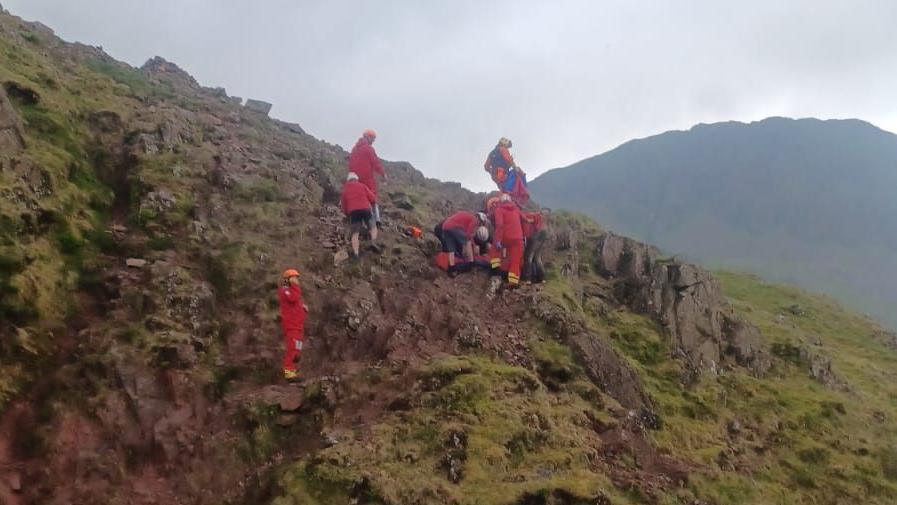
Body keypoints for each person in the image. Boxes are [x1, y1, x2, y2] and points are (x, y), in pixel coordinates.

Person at [348, 129, 387, 228]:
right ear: (368, 137)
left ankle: (360, 222)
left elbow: (350, 165)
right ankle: (376, 220)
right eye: (373, 138)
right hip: (367, 179)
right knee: (372, 199)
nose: (373, 141)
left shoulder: (354, 149)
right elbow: (376, 163)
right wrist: (383, 174)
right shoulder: (369, 149)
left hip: (355, 180)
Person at [434, 211, 489, 276]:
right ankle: (469, 262)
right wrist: (471, 260)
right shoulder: (473, 220)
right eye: (480, 223)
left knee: (451, 250)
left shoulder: (468, 219)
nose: (478, 225)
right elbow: (468, 239)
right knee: (465, 243)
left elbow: (469, 236)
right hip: (451, 227)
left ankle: (452, 269)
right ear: (478, 219)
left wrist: (474, 246)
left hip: (445, 226)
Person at [278, 268, 308, 382]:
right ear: (288, 279)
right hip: (291, 326)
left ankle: (293, 371)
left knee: (297, 350)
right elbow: (293, 298)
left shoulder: (292, 291)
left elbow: (295, 303)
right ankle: (289, 374)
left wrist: (303, 307)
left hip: (298, 326)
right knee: (292, 348)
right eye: (294, 277)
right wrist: (295, 286)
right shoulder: (285, 291)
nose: (296, 280)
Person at [340, 172, 379, 257]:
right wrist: (373, 202)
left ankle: (356, 253)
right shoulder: (362, 186)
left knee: (355, 234)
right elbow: (372, 198)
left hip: (353, 212)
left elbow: (343, 205)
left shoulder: (345, 190)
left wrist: (347, 213)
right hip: (365, 209)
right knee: (373, 227)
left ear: (348, 180)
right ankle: (373, 242)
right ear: (356, 179)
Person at [484, 138, 530, 204]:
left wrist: (492, 171)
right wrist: (515, 167)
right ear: (504, 144)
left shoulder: (491, 153)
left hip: (495, 175)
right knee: (519, 173)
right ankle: (521, 195)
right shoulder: (503, 149)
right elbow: (509, 160)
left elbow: (486, 167)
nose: (508, 147)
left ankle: (506, 197)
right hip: (503, 173)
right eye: (508, 146)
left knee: (502, 187)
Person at [493, 194, 525, 287]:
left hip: (506, 237)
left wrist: (498, 239)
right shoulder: (516, 209)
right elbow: (524, 219)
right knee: (515, 260)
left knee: (496, 252)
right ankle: (513, 281)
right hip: (518, 238)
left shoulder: (499, 210)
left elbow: (499, 225)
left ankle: (496, 271)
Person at [522, 208, 550, 283]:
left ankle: (528, 279)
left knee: (529, 257)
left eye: (542, 213)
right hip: (543, 235)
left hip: (536, 236)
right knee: (537, 258)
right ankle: (542, 278)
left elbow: (529, 220)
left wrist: (523, 216)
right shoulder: (545, 221)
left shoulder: (537, 217)